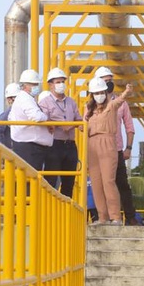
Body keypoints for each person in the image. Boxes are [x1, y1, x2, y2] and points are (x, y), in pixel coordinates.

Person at [84, 77, 133, 225]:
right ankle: (102, 217)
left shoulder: (111, 106)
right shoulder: (89, 111)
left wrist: (126, 91)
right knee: (96, 182)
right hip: (92, 145)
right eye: (96, 93)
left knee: (108, 181)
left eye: (101, 92)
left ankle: (115, 217)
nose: (99, 95)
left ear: (106, 92)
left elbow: (120, 101)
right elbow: (83, 127)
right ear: (92, 95)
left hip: (108, 144)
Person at [95, 66, 139, 226]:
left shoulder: (120, 103)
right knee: (100, 183)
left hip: (117, 149)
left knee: (122, 183)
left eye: (110, 80)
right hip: (98, 151)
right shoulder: (91, 105)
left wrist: (128, 148)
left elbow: (129, 127)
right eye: (106, 81)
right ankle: (102, 216)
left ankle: (130, 216)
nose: (109, 84)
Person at [39, 67, 82, 197]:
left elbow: (78, 119)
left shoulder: (71, 102)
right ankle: (48, 210)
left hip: (70, 145)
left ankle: (66, 213)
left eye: (62, 81)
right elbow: (43, 121)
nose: (61, 85)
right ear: (50, 84)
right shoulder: (44, 102)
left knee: (69, 182)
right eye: (58, 82)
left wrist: (78, 125)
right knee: (51, 181)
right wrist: (58, 124)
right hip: (54, 145)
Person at [9, 69, 52, 171]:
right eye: (33, 84)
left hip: (29, 147)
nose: (36, 87)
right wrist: (47, 119)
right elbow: (36, 116)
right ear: (25, 86)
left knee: (29, 182)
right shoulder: (25, 99)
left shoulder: (26, 98)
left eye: (37, 84)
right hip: (29, 148)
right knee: (29, 182)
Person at [0, 83, 20, 149]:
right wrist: (3, 149)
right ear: (9, 99)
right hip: (13, 151)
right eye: (16, 98)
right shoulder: (8, 114)